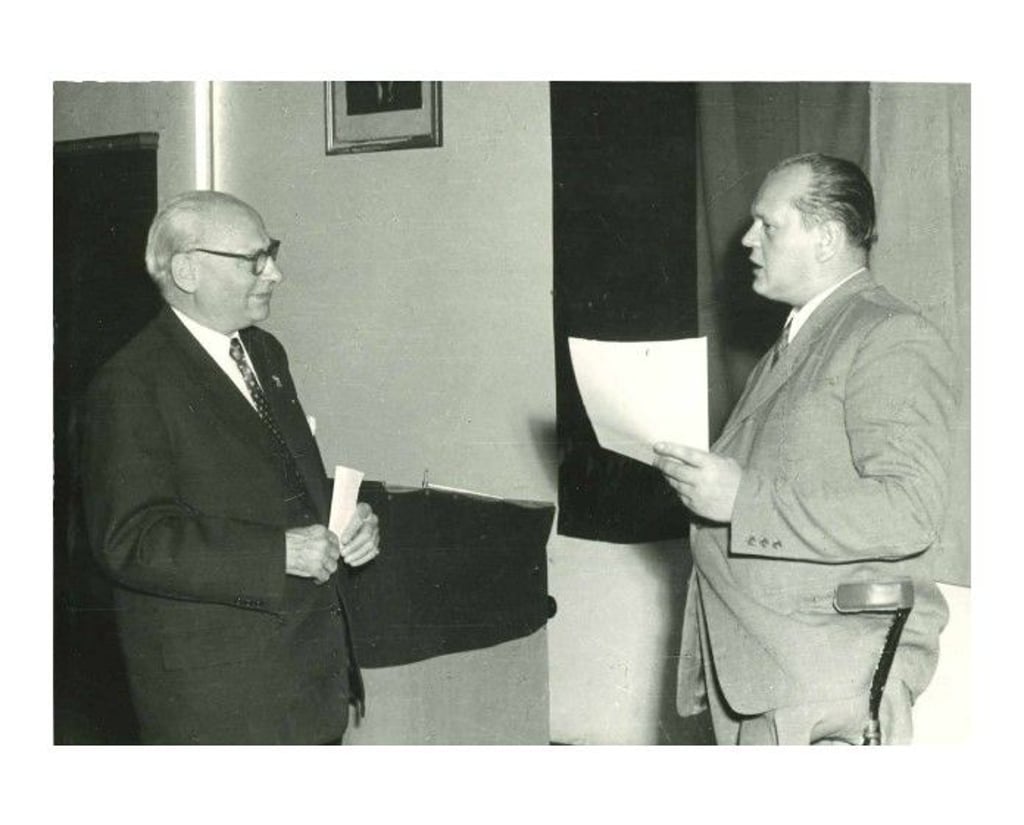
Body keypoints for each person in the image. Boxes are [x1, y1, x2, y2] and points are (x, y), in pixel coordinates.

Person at [653, 153, 955, 745]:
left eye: (768, 225)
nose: (746, 240)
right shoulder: (799, 339)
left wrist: (742, 498)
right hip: (769, 669)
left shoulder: (889, 335)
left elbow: (908, 509)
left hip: (824, 682)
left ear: (826, 239)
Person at [80, 190, 380, 744]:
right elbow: (131, 539)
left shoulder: (265, 354)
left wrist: (348, 521)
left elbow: (279, 483)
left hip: (307, 687)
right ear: (188, 270)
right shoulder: (130, 384)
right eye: (255, 260)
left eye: (272, 253)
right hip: (224, 706)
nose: (275, 274)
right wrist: (278, 552)